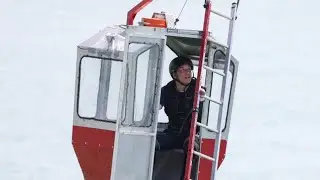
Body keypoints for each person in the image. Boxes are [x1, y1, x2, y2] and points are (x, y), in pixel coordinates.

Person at [155, 56, 206, 180]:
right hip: (172, 133)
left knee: (192, 148)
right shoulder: (166, 91)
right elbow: (152, 109)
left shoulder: (198, 90)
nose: (187, 73)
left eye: (189, 69)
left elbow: (206, 109)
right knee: (150, 142)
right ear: (174, 74)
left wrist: (202, 99)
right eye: (182, 70)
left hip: (191, 134)